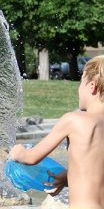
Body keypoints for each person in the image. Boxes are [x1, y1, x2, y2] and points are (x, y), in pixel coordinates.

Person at [10, 55, 104, 209]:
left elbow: (32, 157)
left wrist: (18, 153)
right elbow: (95, 170)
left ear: (92, 86)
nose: (79, 89)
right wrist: (68, 177)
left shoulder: (74, 120)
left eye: (81, 83)